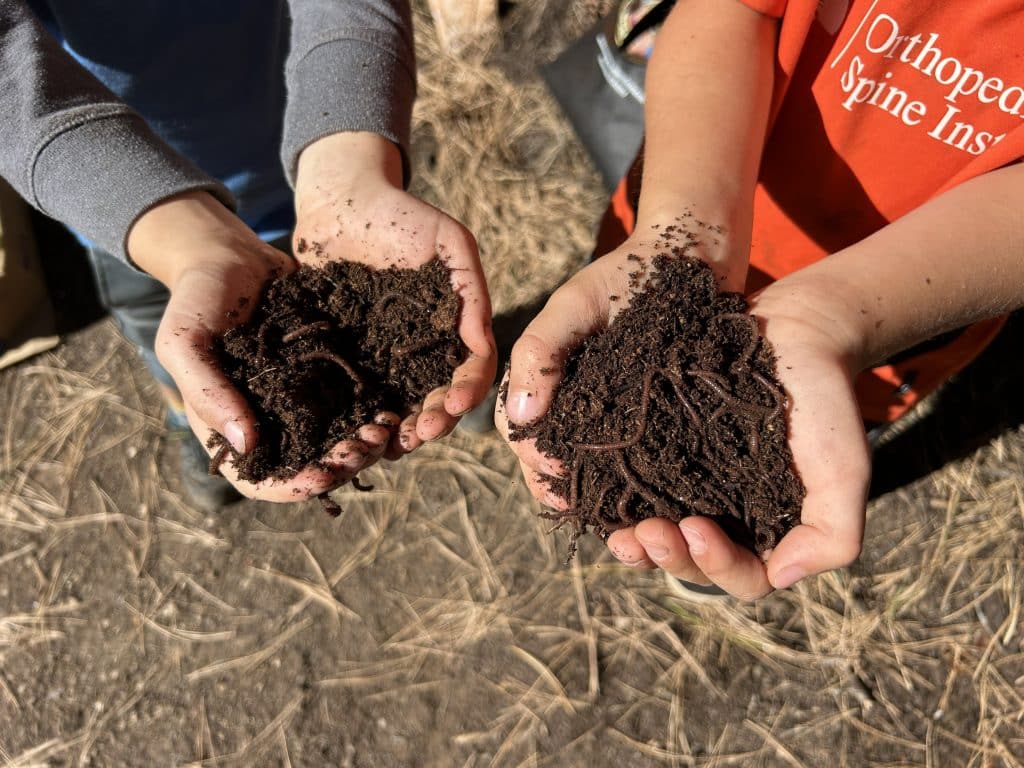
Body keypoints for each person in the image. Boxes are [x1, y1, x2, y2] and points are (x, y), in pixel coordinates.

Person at [498, 0, 1024, 600]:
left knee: (819, 425)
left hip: (902, 311)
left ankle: (761, 504)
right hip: (697, 209)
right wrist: (682, 238)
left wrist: (831, 318)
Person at [0, 0, 496, 509]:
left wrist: (349, 164)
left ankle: (451, 383)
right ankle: (187, 415)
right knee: (175, 341)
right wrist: (187, 243)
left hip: (306, 131)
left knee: (219, 324)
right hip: (123, 209)